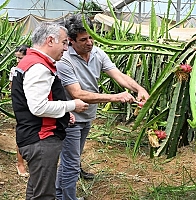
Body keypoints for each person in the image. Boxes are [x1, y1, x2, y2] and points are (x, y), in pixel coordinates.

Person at [55, 14, 150, 200]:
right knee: (72, 163)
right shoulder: (64, 60)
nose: (90, 42)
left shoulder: (98, 53)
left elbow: (119, 75)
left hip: (88, 115)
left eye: (91, 36)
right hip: (70, 117)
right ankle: (67, 198)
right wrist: (116, 97)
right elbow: (78, 94)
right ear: (71, 41)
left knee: (70, 161)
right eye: (83, 39)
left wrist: (139, 88)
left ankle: (60, 196)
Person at [11, 22, 89, 200]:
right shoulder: (38, 67)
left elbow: (40, 100)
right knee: (44, 194)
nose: (66, 48)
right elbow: (38, 107)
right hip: (41, 139)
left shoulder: (30, 62)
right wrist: (72, 105)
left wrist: (62, 113)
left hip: (34, 136)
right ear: (50, 40)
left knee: (36, 188)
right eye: (63, 43)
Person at [9, 44, 30, 177]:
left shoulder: (36, 69)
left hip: (35, 106)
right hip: (22, 107)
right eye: (16, 58)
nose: (18, 61)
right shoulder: (14, 70)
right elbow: (12, 89)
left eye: (21, 58)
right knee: (22, 135)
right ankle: (20, 163)